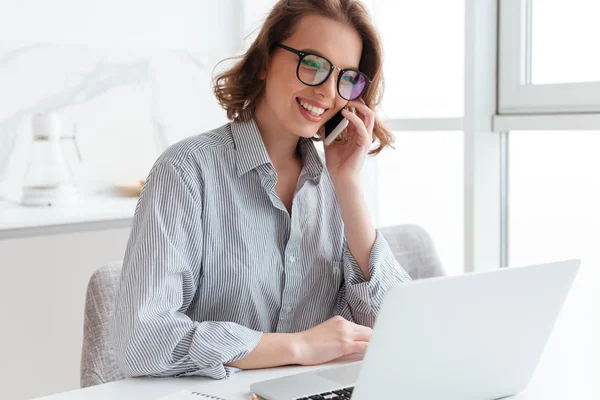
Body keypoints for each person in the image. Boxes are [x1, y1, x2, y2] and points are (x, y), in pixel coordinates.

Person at [111, 0, 411, 380]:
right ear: (266, 59)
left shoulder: (337, 185)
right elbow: (142, 340)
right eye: (313, 64)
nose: (328, 92)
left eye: (346, 77)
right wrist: (298, 347)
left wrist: (348, 186)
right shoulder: (186, 171)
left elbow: (399, 331)